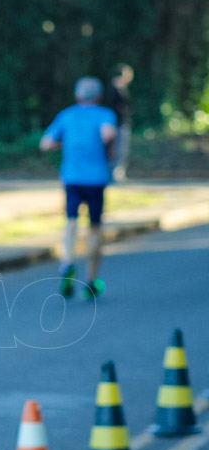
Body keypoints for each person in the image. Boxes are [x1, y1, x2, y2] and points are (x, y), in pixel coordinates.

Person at [40, 77, 117, 300]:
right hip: (96, 179)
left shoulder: (66, 115)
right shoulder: (105, 114)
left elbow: (45, 144)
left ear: (77, 96)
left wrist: (64, 143)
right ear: (99, 96)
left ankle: (66, 263)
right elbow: (108, 134)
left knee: (71, 221)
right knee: (94, 228)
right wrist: (107, 148)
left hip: (71, 177)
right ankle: (91, 281)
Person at [105, 64, 133, 181]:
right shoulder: (115, 89)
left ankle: (117, 172)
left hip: (120, 122)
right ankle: (114, 173)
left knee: (120, 149)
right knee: (117, 149)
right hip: (116, 123)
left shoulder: (121, 89)